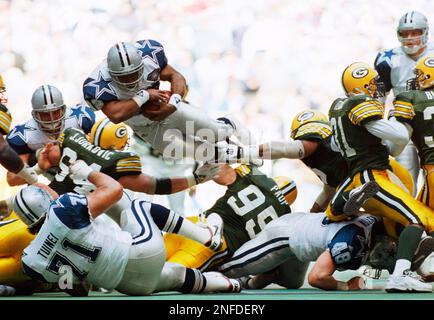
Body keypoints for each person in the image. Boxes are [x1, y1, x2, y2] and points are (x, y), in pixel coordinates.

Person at [16, 163, 241, 296]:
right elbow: (114, 189)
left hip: (127, 285)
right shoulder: (63, 210)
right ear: (44, 202)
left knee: (177, 275)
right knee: (139, 206)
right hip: (139, 252)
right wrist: (87, 171)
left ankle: (228, 284)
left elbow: (80, 290)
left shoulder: (30, 261)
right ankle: (207, 236)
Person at [327, 61, 434, 292]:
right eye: (372, 83)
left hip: (366, 173)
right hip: (371, 177)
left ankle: (412, 264)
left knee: (424, 217)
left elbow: (338, 145)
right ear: (359, 88)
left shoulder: (339, 106)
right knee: (416, 217)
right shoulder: (359, 102)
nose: (377, 87)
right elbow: (398, 136)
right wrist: (399, 115)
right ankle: (400, 275)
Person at [83, 40, 247, 163]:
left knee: (217, 132)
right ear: (111, 73)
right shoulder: (97, 84)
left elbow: (177, 76)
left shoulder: (150, 55)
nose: (131, 79)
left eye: (134, 73)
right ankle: (243, 156)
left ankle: (229, 125)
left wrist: (173, 104)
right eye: (124, 77)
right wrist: (145, 95)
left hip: (168, 108)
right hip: (143, 126)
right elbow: (116, 115)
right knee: (195, 152)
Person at [164, 164, 304, 289]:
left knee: (147, 259)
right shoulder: (283, 219)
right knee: (162, 276)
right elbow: (272, 271)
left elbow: (220, 169)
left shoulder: (256, 176)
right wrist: (250, 283)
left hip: (193, 223)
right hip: (211, 245)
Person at [375, 11, 434, 191]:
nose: (409, 38)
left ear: (425, 32)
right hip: (403, 122)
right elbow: (379, 97)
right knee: (406, 182)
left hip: (431, 123)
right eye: (404, 33)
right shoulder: (388, 59)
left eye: (415, 32)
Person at [6, 84, 95, 186]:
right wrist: (38, 165)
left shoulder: (81, 118)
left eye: (55, 112)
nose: (52, 118)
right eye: (45, 114)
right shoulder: (23, 135)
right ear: (35, 114)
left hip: (87, 170)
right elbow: (12, 180)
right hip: (53, 179)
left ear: (63, 109)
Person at [391, 54, 434, 210]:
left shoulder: (412, 98)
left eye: (420, 75)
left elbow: (398, 142)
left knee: (417, 215)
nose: (417, 79)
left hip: (432, 166)